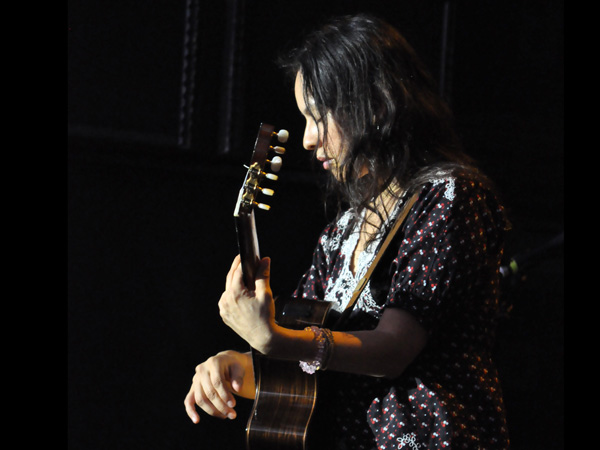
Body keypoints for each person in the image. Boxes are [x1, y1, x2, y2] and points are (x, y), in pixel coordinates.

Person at [184, 13, 511, 449]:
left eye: (317, 117)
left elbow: (394, 349)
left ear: (374, 105)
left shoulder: (450, 197)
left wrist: (274, 339)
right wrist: (234, 367)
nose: (306, 139)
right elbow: (301, 361)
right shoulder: (343, 231)